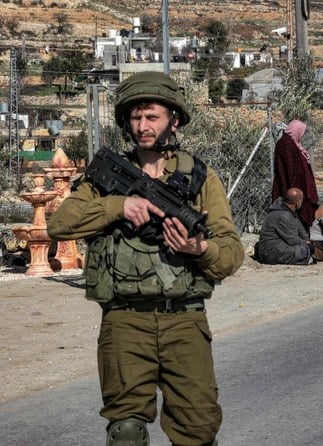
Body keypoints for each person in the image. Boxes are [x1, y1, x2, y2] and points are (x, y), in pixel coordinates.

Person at [47, 71, 245, 446]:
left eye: (152, 116)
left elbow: (231, 254)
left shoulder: (200, 179)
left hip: (185, 320)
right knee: (126, 431)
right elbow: (60, 225)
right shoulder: (108, 177)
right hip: (125, 321)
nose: (142, 126)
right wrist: (119, 205)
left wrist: (199, 249)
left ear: (174, 119)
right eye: (136, 118)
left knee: (198, 430)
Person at [271, 119, 319, 232]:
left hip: (298, 192)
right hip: (294, 193)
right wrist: (294, 194)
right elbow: (289, 171)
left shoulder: (293, 144)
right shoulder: (286, 145)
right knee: (296, 227)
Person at [254, 187, 314, 265]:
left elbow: (300, 230)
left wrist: (306, 240)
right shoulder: (284, 215)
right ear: (298, 201)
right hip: (272, 252)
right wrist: (306, 243)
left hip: (274, 248)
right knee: (310, 249)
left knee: (312, 247)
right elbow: (293, 240)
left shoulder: (289, 212)